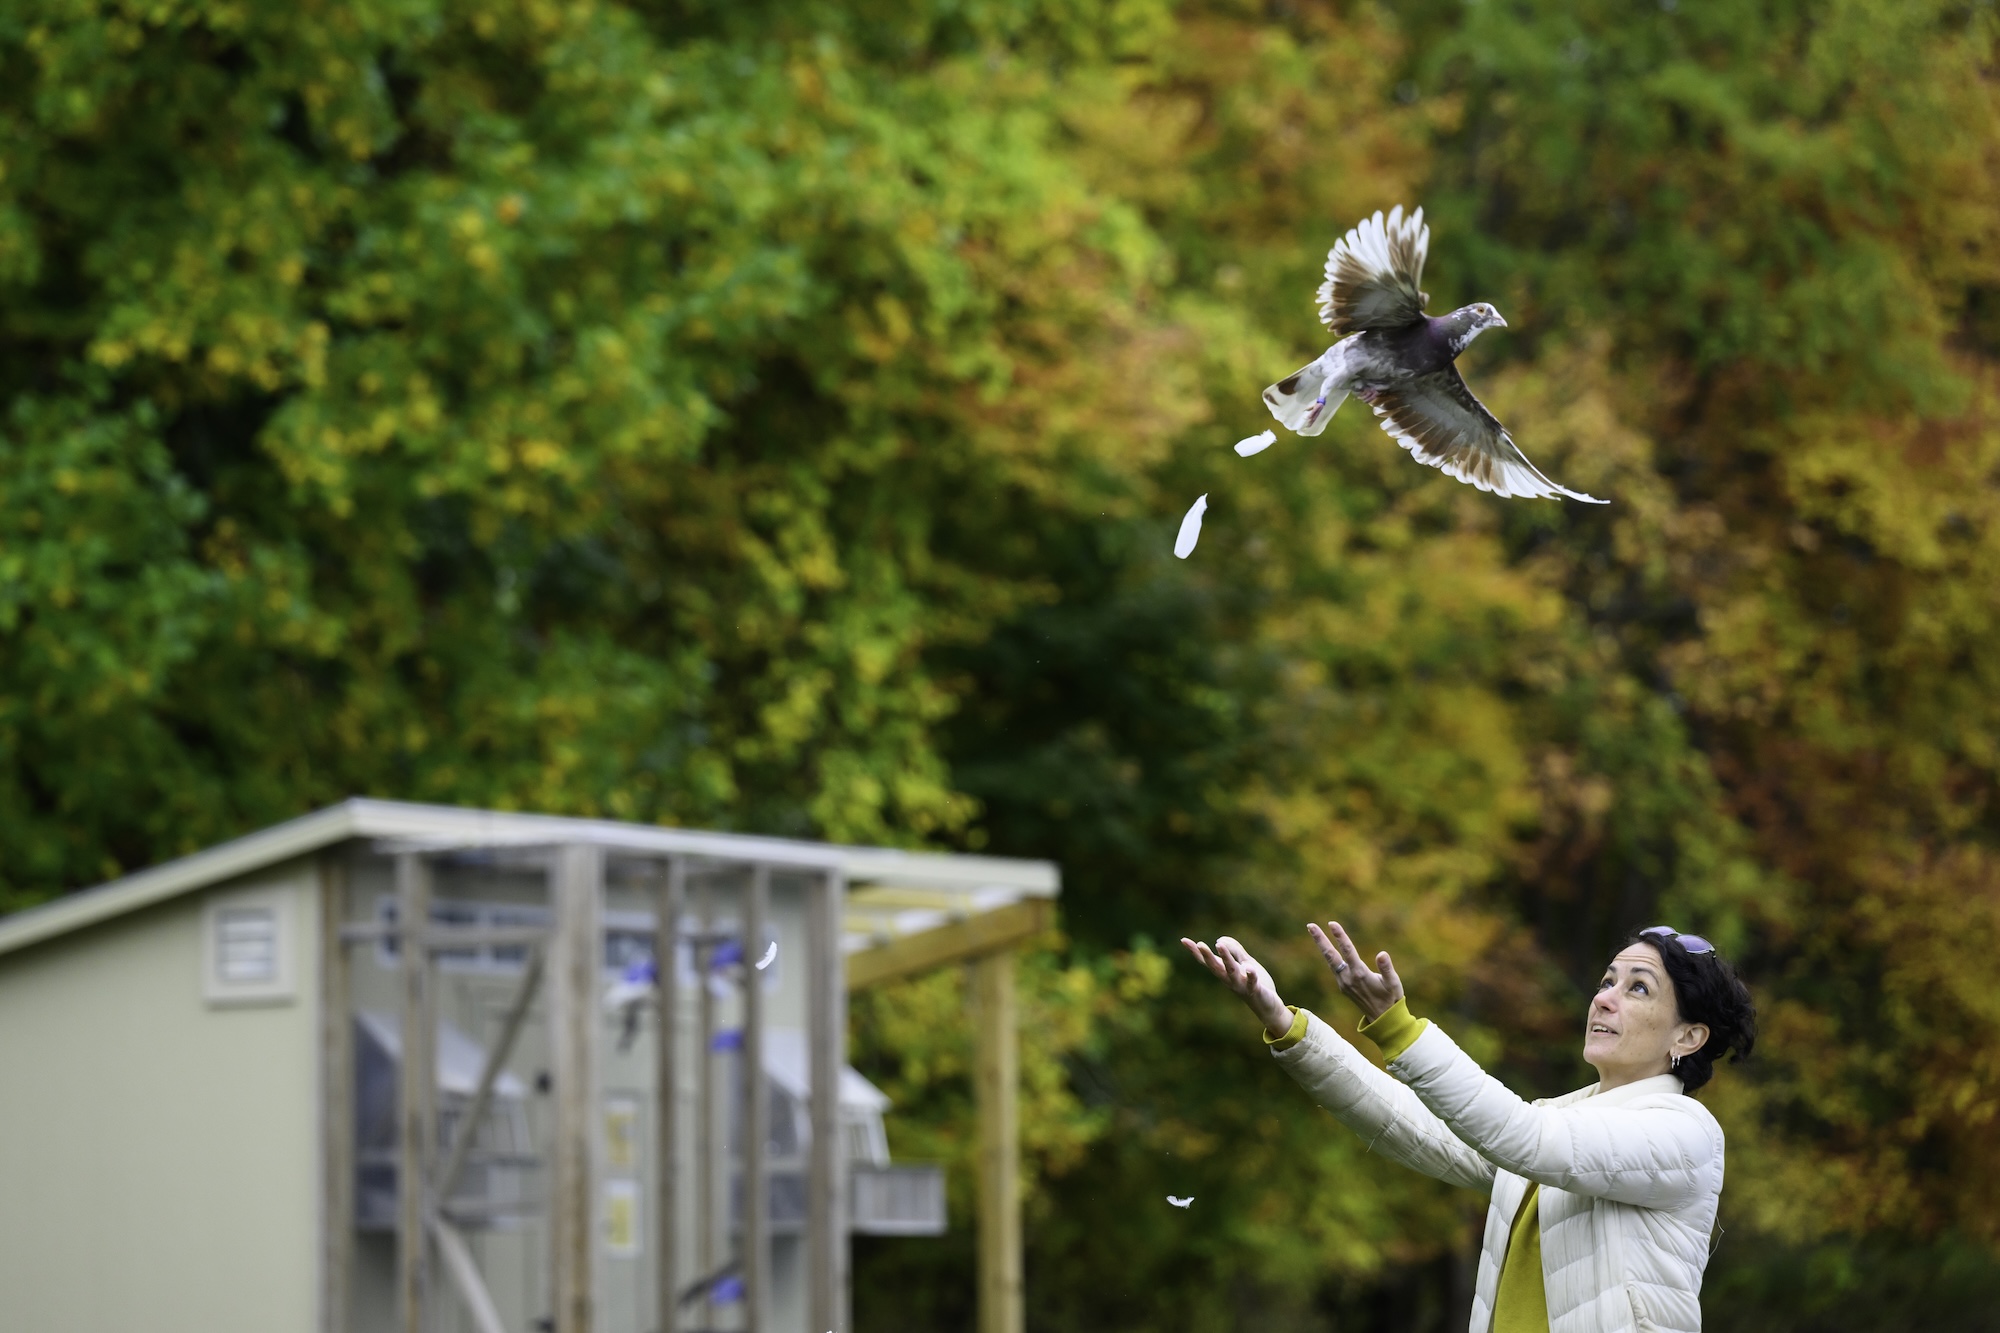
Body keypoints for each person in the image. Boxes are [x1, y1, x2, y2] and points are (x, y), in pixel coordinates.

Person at [1182, 920, 1756, 1333]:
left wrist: (1398, 1027)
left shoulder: (1686, 1134)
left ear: (1688, 1037)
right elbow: (1416, 1127)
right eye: (1608, 981)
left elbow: (1528, 1141)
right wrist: (1285, 1023)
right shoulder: (1558, 1117)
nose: (1605, 999)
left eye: (1638, 988)